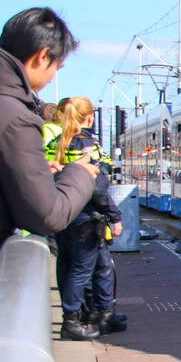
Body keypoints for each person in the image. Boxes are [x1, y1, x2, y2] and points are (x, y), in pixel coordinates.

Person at [0, 7, 98, 311]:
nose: (51, 79)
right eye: (56, 68)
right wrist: (78, 175)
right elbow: (46, 215)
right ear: (42, 56)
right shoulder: (13, 117)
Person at [52, 97, 126, 340]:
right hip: (86, 217)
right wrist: (114, 216)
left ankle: (103, 313)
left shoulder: (58, 142)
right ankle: (72, 321)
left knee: (94, 265)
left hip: (64, 213)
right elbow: (97, 187)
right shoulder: (87, 145)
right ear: (90, 117)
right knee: (83, 269)